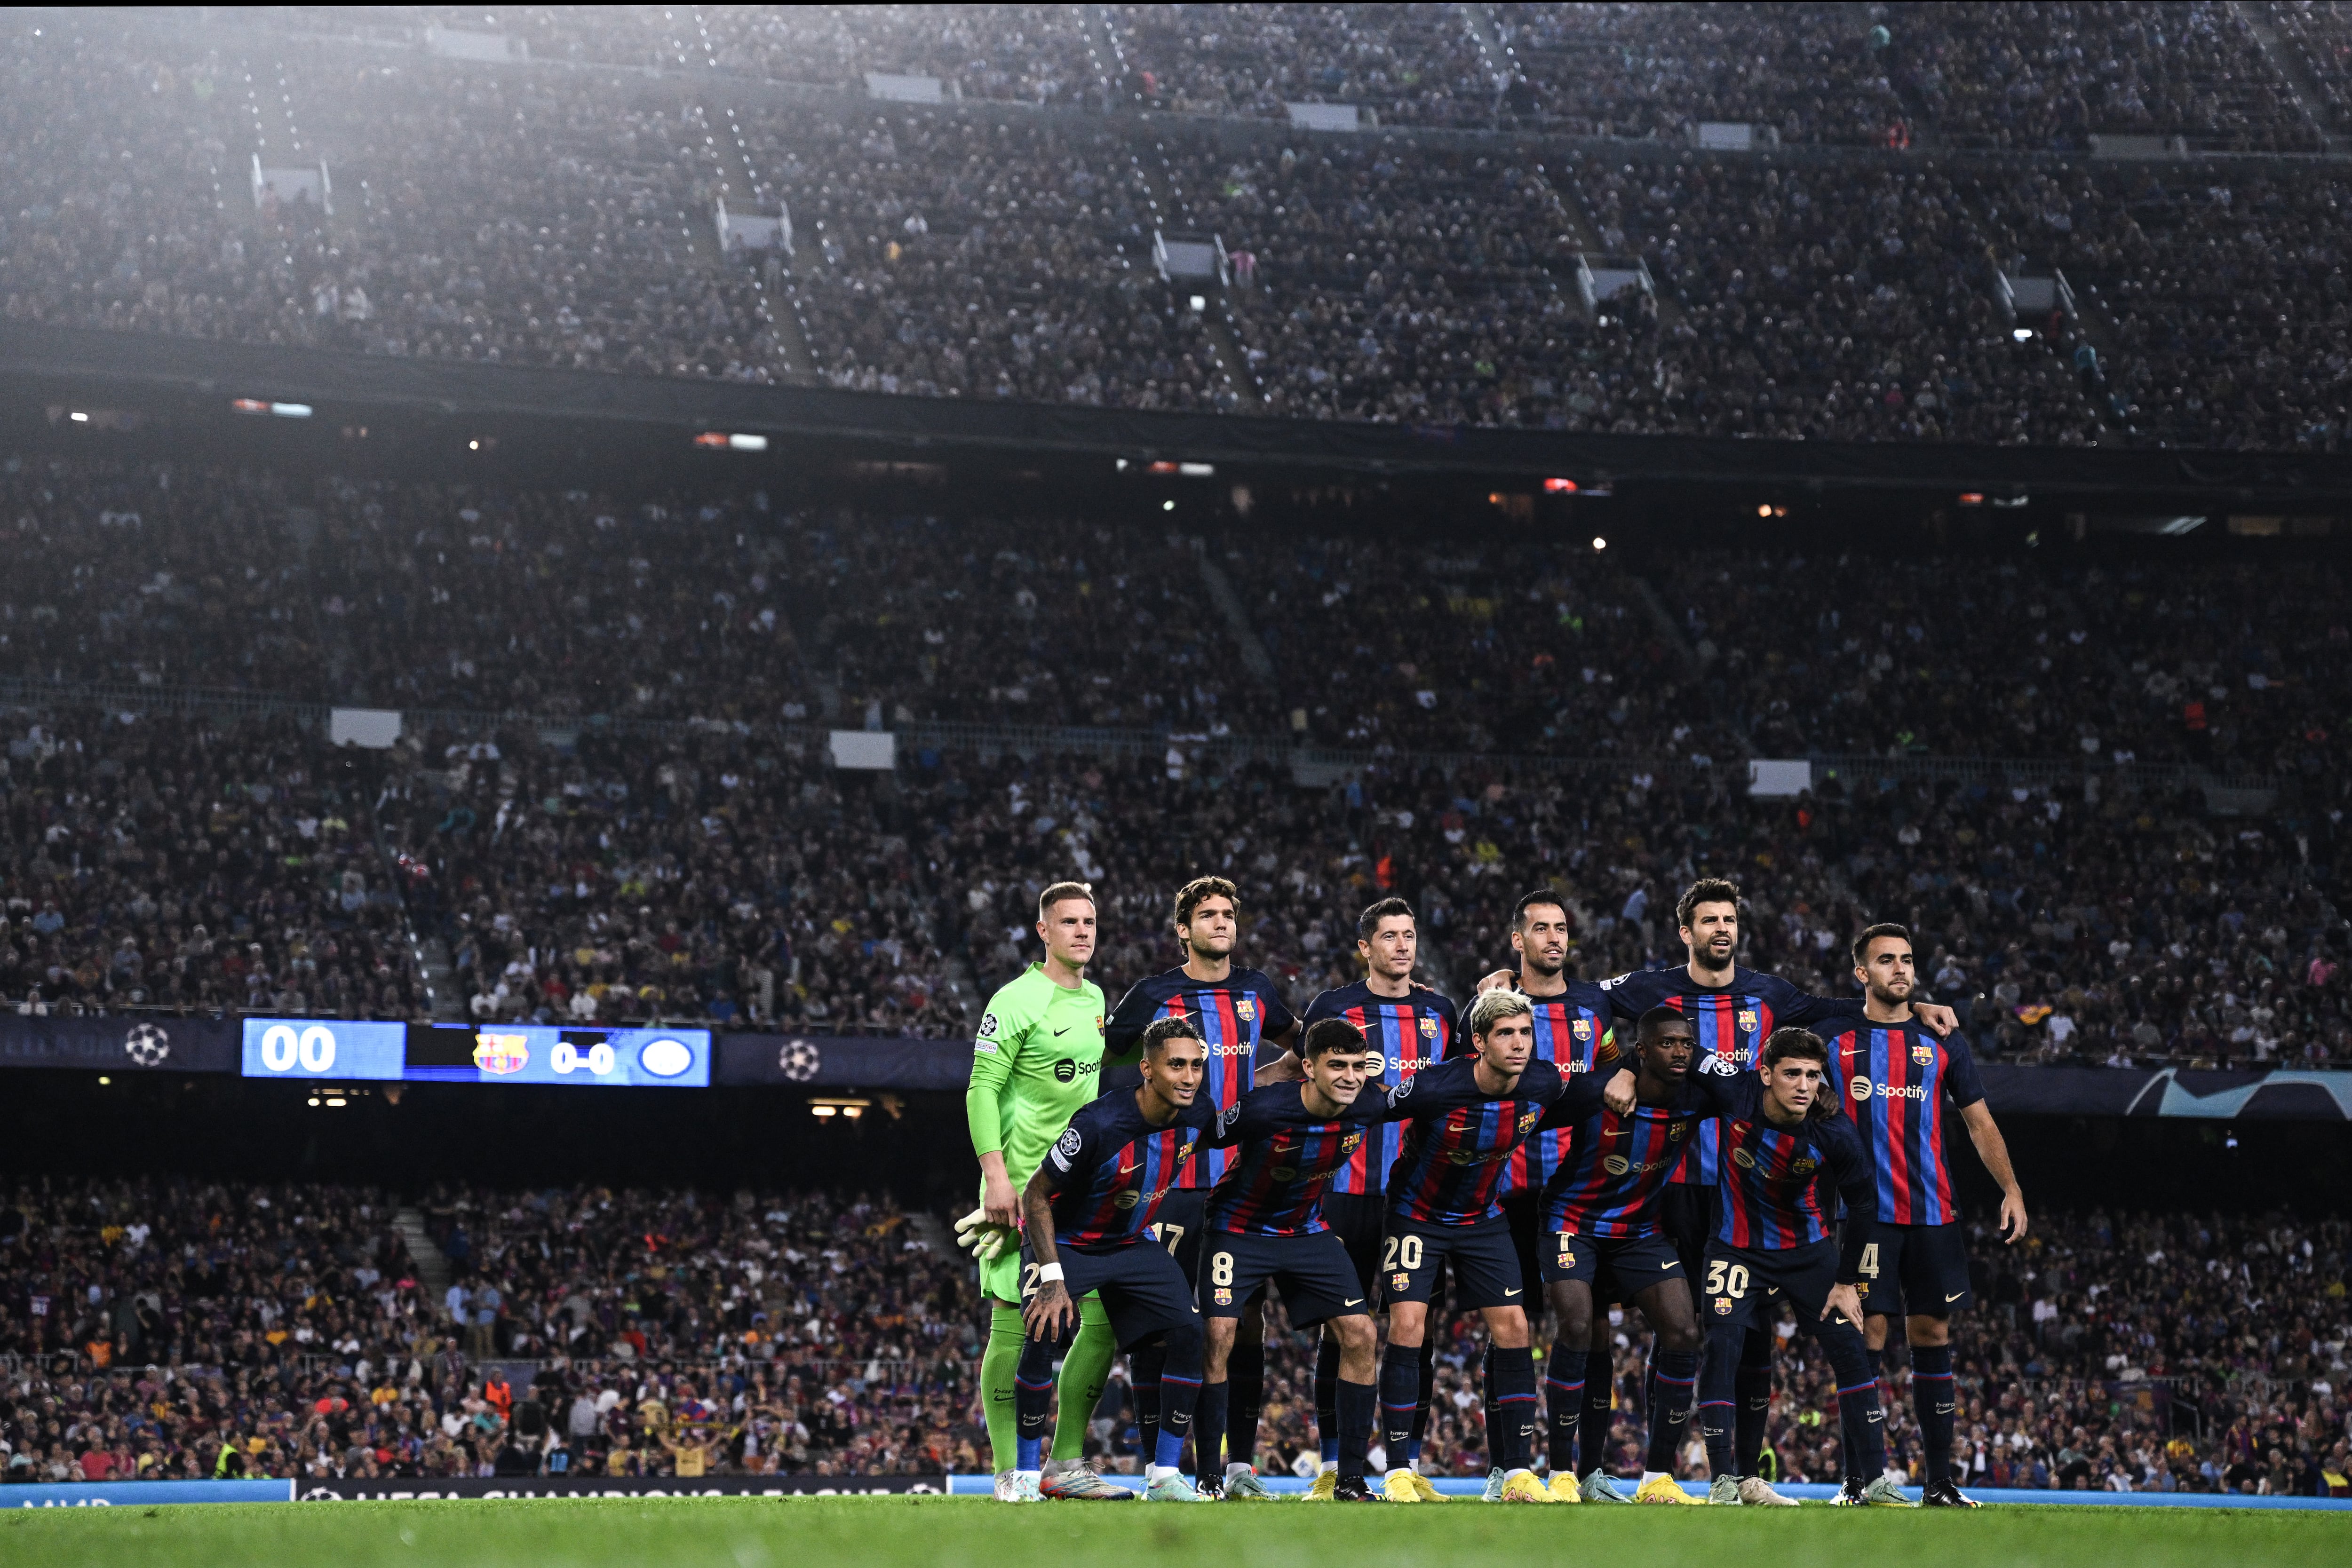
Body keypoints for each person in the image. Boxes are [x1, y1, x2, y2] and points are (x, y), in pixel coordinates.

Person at [1538, 1006, 1796, 1505]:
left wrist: (1820, 1099)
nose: (1679, 1051)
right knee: (1576, 1328)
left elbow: (1754, 1097)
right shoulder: (1598, 1093)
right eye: (1667, 1043)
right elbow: (1533, 1112)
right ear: (1641, 1051)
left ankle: (1656, 1476)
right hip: (1572, 1223)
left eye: (1685, 1043)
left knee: (1681, 1331)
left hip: (1638, 1230)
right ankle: (1561, 1473)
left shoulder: (1695, 1098)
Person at [1104, 876, 1300, 1495]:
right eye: (1208, 915)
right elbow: (1104, 1064)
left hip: (1242, 1183)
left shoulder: (1256, 990)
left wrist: (1256, 1085)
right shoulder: (1154, 994)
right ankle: (1162, 1466)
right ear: (1183, 928)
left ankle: (1236, 1467)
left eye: (1228, 914)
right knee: (1160, 1323)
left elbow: (1308, 1052)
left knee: (1243, 1323)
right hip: (1170, 1185)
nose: (1221, 923)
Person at [1828, 922, 2027, 1509]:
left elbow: (1978, 1122)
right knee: (1867, 1334)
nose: (1899, 968)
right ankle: (1857, 1479)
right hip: (1864, 1217)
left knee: (1932, 1333)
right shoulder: (1833, 1032)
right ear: (1861, 973)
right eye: (1885, 960)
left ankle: (1937, 1482)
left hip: (1933, 1211)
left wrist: (2011, 1189)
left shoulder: (1941, 1039)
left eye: (1907, 960)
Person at [1691, 1027, 1911, 1507]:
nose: (1803, 1085)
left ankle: (1873, 1482)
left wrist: (1846, 1280)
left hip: (1808, 1253)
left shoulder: (1833, 1129)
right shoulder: (1735, 1088)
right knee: (1723, 1349)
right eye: (1791, 1073)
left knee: (1850, 1353)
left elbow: (1863, 1205)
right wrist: (1624, 1066)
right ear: (1765, 1074)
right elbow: (1682, 1046)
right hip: (1734, 1248)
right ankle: (1726, 1481)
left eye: (1813, 1075)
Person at [1377, 988, 1576, 1504]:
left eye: (1524, 1033)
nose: (1518, 1043)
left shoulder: (1545, 1082)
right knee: (1407, 1325)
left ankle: (1514, 1471)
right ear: (1479, 1042)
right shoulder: (1432, 1087)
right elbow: (1369, 1108)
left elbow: (1594, 1093)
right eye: (1505, 1033)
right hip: (1415, 1216)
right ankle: (1398, 1470)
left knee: (1514, 1327)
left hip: (1482, 1218)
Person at [964, 881, 1123, 1502]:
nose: (1083, 930)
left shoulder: (1095, 998)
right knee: (1015, 1325)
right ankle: (1011, 1472)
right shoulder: (1015, 999)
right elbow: (981, 1088)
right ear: (1044, 931)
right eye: (1069, 921)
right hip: (1020, 1186)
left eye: (1089, 920)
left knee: (1103, 1320)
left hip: (1082, 1187)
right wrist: (996, 1176)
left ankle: (1065, 1462)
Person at [1020, 1016, 1221, 1503]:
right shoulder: (1098, 1123)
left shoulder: (1200, 1114)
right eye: (1177, 1065)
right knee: (1043, 1330)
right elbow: (1035, 1195)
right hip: (1068, 1242)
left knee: (1190, 1331)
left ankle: (1164, 1477)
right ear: (1147, 1069)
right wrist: (1051, 1277)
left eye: (1196, 1065)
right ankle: (1025, 1479)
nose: (1189, 1076)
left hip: (1131, 1243)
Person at [1297, 895, 1457, 1500]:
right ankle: (1333, 1465)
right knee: (1338, 1331)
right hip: (1341, 1193)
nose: (1402, 945)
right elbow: (1299, 1076)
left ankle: (1405, 1464)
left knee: (1417, 1330)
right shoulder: (1334, 1010)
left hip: (1416, 1197)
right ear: (1365, 947)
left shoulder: (1441, 1012)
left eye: (1409, 935)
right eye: (1389, 936)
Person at [1192, 1017, 1391, 1501]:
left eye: (1356, 1066)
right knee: (1219, 1334)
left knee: (1361, 1333)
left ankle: (1348, 1479)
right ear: (1307, 1067)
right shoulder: (1264, 1109)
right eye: (1336, 1065)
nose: (1349, 1076)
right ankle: (1210, 1476)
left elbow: (1435, 1095)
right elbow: (1199, 1136)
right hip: (1236, 1227)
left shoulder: (1369, 1102)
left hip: (1306, 1229)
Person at [1478, 889, 1622, 1501]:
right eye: (1540, 928)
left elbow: (1618, 1071)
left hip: (1586, 1194)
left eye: (1561, 928)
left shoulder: (1594, 1004)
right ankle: (1504, 1469)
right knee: (1508, 1327)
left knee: (1590, 1330)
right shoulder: (1493, 1004)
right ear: (1518, 939)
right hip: (1508, 1190)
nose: (1554, 939)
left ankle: (1586, 1471)